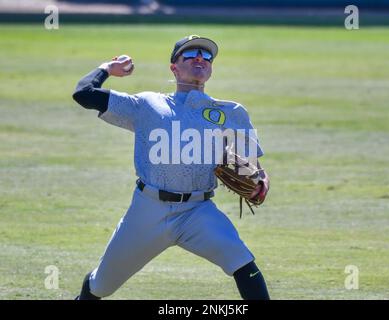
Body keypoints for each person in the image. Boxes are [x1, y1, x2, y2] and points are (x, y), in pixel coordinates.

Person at [72, 35, 270, 300]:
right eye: (190, 54)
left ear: (211, 68)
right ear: (173, 67)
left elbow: (253, 168)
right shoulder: (148, 105)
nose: (200, 58)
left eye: (206, 55)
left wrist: (261, 181)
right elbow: (83, 94)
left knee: (242, 261)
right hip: (147, 210)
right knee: (100, 286)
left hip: (197, 212)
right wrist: (107, 69)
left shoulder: (232, 112)